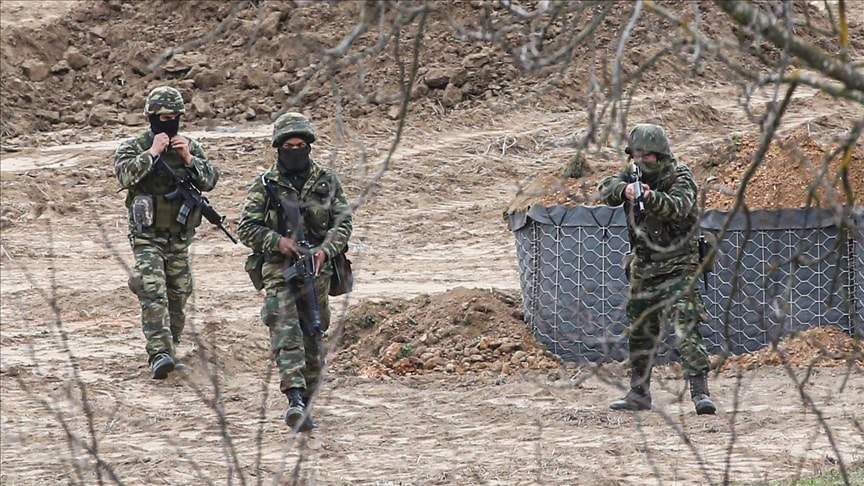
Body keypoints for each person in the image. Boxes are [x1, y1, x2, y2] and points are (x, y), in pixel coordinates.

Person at [238, 112, 352, 431]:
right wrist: (278, 242)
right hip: (279, 269)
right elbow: (246, 227)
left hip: (317, 271)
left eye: (301, 144)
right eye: (289, 145)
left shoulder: (326, 181)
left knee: (313, 333)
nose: (295, 150)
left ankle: (308, 401)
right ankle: (295, 398)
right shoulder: (266, 184)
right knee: (285, 329)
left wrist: (324, 250)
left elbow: (343, 222)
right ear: (278, 148)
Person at [597, 123, 717, 415]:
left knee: (685, 326)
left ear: (660, 155)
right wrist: (625, 190)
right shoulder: (630, 174)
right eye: (637, 155)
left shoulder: (680, 176)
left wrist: (650, 197)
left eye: (648, 156)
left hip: (679, 264)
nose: (642, 161)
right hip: (645, 266)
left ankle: (700, 392)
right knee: (641, 331)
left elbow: (678, 206)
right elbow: (605, 188)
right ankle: (638, 392)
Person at [114, 86, 219, 380]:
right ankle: (158, 353)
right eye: (162, 117)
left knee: (178, 293)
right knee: (152, 289)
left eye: (173, 117)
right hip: (147, 236)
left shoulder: (189, 146)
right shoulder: (135, 146)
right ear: (151, 117)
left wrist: (187, 157)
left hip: (179, 237)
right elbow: (124, 174)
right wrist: (152, 153)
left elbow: (210, 180)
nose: (167, 122)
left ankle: (170, 349)